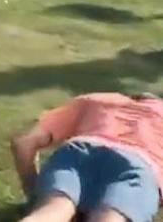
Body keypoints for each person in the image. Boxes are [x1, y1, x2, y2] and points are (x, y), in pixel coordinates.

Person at [11, 92, 163, 222]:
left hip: (77, 152)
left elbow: (24, 143)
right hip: (139, 164)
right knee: (111, 217)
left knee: (52, 211)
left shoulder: (97, 100)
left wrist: (35, 194)